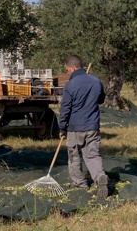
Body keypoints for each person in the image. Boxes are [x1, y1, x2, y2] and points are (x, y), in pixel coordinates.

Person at [58, 55, 108, 200]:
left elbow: (65, 109)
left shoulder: (70, 85)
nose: (68, 73)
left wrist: (62, 128)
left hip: (75, 127)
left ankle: (80, 183)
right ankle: (100, 177)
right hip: (93, 126)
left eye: (67, 71)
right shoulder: (96, 81)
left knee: (74, 156)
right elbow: (101, 100)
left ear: (72, 68)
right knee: (93, 154)